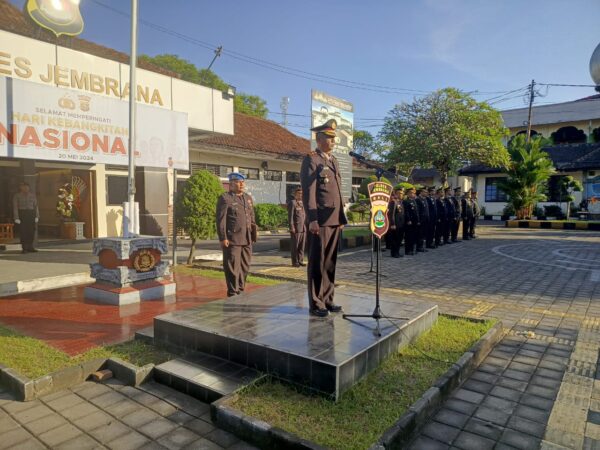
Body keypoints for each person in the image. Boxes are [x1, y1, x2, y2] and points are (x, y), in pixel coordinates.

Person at [300, 119, 347, 317]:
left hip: (334, 219)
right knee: (317, 262)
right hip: (319, 219)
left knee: (330, 262)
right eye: (329, 137)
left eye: (334, 138)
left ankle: (328, 299)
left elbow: (337, 191)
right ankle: (316, 302)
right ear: (319, 139)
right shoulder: (312, 160)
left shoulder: (333, 160)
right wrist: (312, 219)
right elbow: (308, 192)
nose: (333, 140)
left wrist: (341, 217)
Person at [216, 172, 257, 297]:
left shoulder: (247, 198)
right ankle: (233, 291)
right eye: (239, 182)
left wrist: (254, 233)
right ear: (232, 184)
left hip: (247, 238)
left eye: (243, 182)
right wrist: (223, 238)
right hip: (232, 238)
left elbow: (252, 217)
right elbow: (221, 220)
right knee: (232, 266)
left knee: (245, 266)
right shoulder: (225, 198)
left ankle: (240, 288)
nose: (242, 185)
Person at [13, 182, 39, 253]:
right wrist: (16, 217)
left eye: (27, 187)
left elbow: (36, 206)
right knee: (23, 232)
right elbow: (15, 207)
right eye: (23, 187)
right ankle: (24, 248)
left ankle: (30, 247)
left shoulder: (32, 195)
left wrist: (37, 216)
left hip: (31, 214)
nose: (25, 188)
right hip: (22, 214)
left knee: (31, 231)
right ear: (20, 188)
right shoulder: (17, 196)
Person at [288, 187, 306, 267]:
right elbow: (290, 216)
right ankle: (295, 262)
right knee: (295, 245)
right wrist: (292, 227)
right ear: (295, 195)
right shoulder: (292, 203)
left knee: (302, 246)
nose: (301, 195)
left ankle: (300, 260)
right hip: (296, 228)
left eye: (302, 194)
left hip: (303, 228)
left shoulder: (303, 203)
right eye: (299, 194)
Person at [388, 187, 405, 258]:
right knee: (395, 239)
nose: (401, 195)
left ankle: (397, 252)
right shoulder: (393, 202)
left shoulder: (400, 202)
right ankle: (394, 253)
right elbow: (391, 214)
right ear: (395, 193)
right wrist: (393, 224)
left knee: (399, 239)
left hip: (401, 224)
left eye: (402, 193)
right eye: (399, 193)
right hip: (396, 224)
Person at [403, 187, 420, 256]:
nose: (413, 194)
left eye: (413, 193)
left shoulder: (414, 201)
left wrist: (418, 220)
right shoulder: (406, 201)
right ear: (408, 194)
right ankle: (408, 250)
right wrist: (408, 220)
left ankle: (412, 249)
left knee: (413, 236)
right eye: (411, 193)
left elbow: (416, 212)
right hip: (409, 222)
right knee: (408, 237)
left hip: (415, 221)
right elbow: (406, 212)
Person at [415, 188, 429, 253]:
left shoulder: (425, 199)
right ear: (421, 192)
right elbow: (418, 211)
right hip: (421, 220)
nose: (426, 193)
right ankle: (419, 247)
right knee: (420, 234)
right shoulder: (418, 200)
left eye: (426, 192)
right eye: (425, 192)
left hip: (425, 220)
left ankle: (422, 246)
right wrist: (418, 220)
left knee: (423, 234)